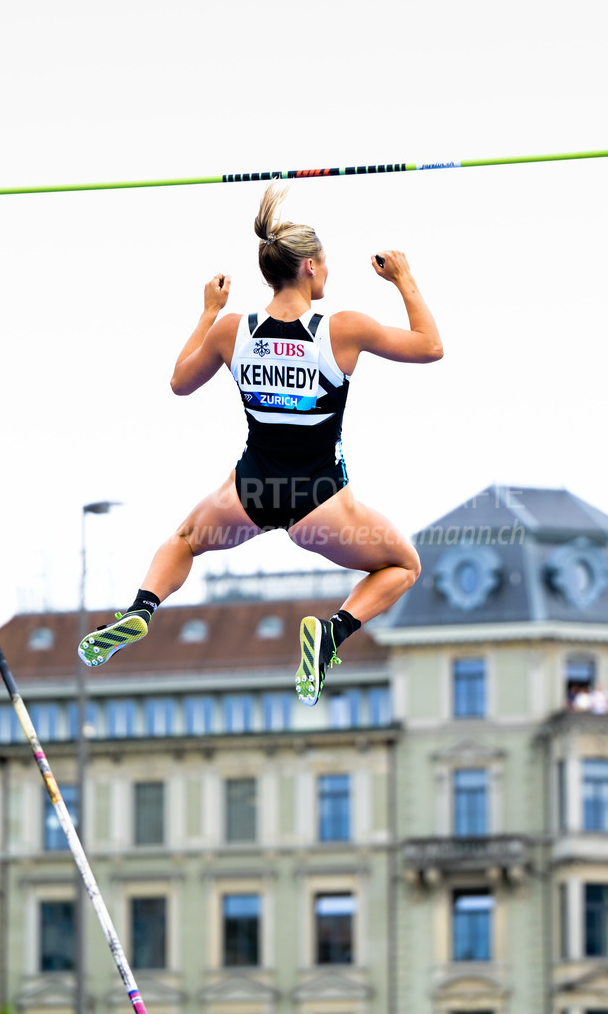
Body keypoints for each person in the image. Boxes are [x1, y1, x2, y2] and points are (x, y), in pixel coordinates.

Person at [78, 182, 443, 706]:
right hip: (319, 499)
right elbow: (430, 346)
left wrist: (209, 312)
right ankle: (332, 634)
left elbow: (180, 382)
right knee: (404, 565)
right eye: (325, 262)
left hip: (250, 490)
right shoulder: (342, 329)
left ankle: (141, 609)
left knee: (183, 542)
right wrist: (403, 278)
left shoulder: (234, 330)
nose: (328, 270)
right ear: (310, 267)